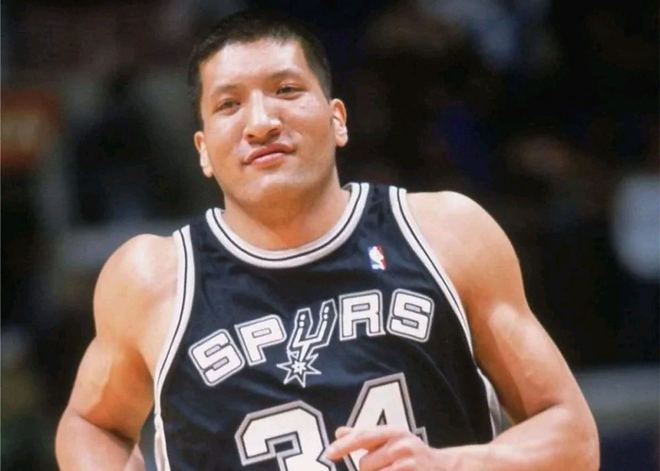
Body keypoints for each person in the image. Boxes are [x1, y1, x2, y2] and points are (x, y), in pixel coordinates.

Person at [56, 10, 599, 471]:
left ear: (338, 119)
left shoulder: (445, 233)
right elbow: (91, 424)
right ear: (203, 150)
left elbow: (572, 435)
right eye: (229, 105)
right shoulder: (151, 277)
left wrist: (450, 464)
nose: (261, 122)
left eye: (286, 91)